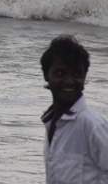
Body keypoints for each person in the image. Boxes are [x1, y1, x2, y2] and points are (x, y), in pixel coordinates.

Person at [40, 35, 108, 183]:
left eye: (77, 74)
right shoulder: (52, 122)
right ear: (46, 75)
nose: (69, 81)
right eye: (60, 73)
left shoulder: (93, 125)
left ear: (84, 77)